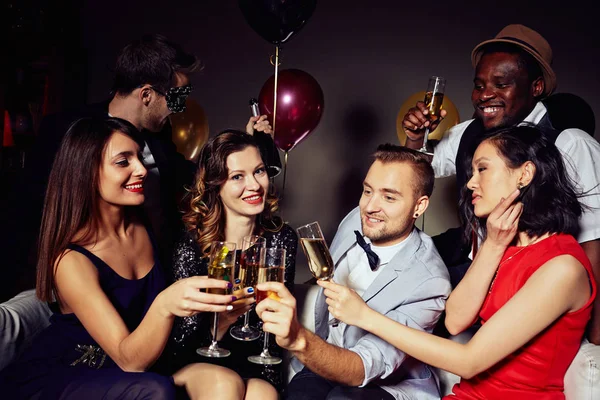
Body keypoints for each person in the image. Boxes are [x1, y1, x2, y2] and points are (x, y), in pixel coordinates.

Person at [0, 117, 277, 400]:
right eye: (124, 162)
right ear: (87, 172)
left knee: (253, 389)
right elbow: (128, 360)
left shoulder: (145, 222)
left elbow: (210, 186)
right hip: (77, 371)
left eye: (139, 156)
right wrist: (166, 303)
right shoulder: (70, 260)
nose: (142, 169)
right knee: (157, 389)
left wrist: (246, 148)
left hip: (152, 361)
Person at [320, 126, 596, 399]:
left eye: (482, 169)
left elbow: (469, 361)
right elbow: (455, 320)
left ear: (524, 174)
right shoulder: (505, 247)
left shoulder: (563, 267)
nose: (470, 182)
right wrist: (494, 244)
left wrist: (365, 316)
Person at [2, 33, 274, 299]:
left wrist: (243, 149)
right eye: (178, 97)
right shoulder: (69, 130)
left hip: (154, 274)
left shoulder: (158, 136)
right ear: (147, 95)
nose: (180, 109)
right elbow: (29, 207)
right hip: (92, 277)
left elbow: (193, 176)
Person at [401, 23, 600, 343]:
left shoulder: (570, 143)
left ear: (536, 87)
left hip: (531, 283)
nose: (485, 95)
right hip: (473, 269)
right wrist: (414, 139)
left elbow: (593, 241)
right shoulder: (467, 132)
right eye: (478, 85)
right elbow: (416, 174)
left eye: (501, 83)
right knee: (398, 279)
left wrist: (594, 337)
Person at [255, 145, 451, 399]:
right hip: (330, 354)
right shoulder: (356, 221)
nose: (370, 206)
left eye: (389, 197)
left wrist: (299, 339)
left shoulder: (430, 281)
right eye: (367, 191)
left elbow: (365, 367)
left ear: (419, 206)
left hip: (387, 383)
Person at [167, 130, 297, 393]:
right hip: (196, 359)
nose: (255, 185)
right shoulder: (192, 244)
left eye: (259, 171)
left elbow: (270, 338)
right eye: (238, 177)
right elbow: (178, 343)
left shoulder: (281, 238)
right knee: (225, 385)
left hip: (255, 362)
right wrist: (226, 318)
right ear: (216, 184)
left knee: (265, 394)